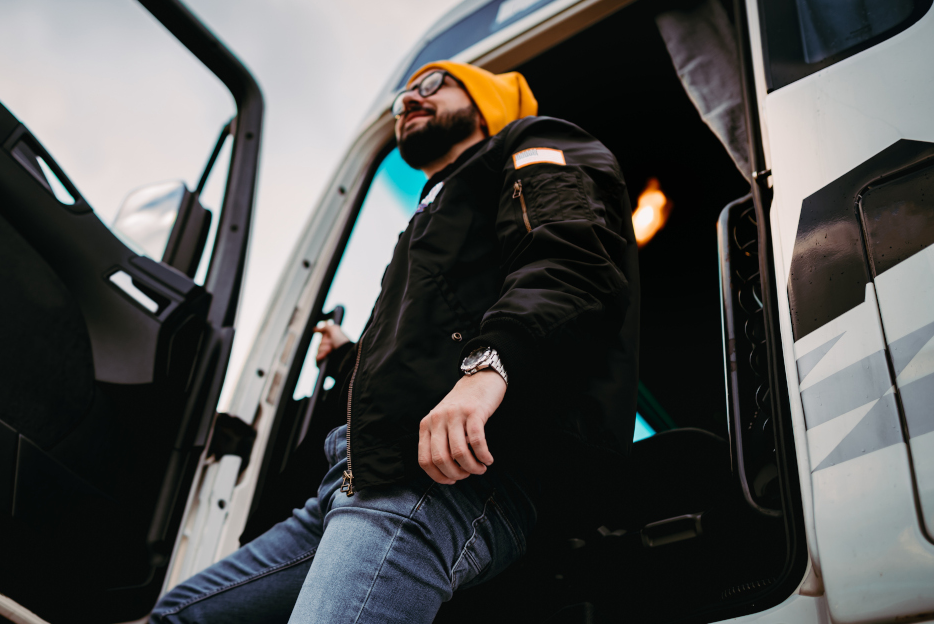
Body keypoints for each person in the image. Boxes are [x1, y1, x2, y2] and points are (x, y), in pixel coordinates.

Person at [151, 61, 639, 623]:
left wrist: (488, 368)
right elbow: (423, 354)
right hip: (359, 476)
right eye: (402, 97)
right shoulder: (433, 215)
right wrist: (347, 358)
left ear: (486, 101)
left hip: (446, 477)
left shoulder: (535, 141)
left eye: (432, 85)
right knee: (179, 615)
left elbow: (570, 261)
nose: (409, 101)